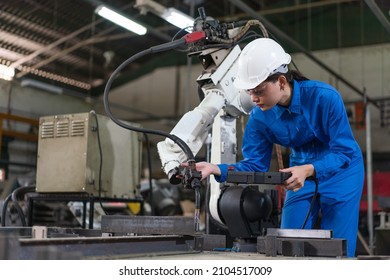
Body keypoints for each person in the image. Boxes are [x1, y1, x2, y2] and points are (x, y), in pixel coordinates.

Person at [190, 38, 365, 258]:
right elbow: (255, 164)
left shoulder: (325, 98)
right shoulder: (259, 118)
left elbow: (345, 152)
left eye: (259, 91)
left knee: (338, 247)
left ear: (281, 81)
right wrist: (217, 169)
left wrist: (309, 169)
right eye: (249, 91)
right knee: (287, 245)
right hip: (298, 172)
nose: (253, 98)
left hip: (342, 172)